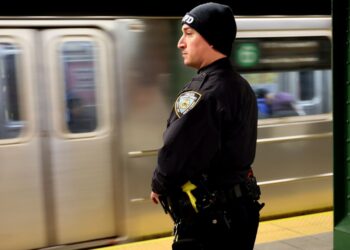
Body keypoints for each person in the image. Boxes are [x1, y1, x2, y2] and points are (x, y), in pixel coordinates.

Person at [150, 2, 264, 250]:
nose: (181, 43)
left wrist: (158, 185)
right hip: (242, 212)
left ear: (212, 39)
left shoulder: (202, 93)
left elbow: (174, 157)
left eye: (189, 34)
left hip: (211, 224)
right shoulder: (241, 86)